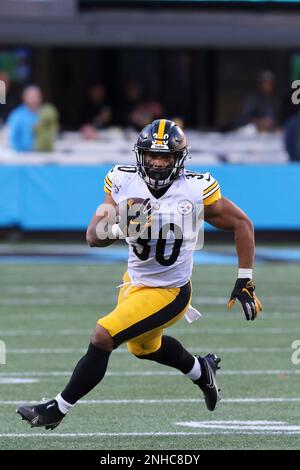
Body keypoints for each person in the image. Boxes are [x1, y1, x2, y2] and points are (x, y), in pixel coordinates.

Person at [17, 119, 262, 430]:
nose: (158, 163)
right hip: (134, 282)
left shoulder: (195, 190)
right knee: (144, 348)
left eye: (166, 157)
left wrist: (245, 279)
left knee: (103, 335)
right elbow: (93, 236)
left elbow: (243, 224)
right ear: (140, 156)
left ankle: (57, 408)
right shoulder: (123, 182)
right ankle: (202, 370)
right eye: (152, 156)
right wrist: (122, 224)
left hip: (170, 292)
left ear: (180, 159)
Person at [7, 85, 42, 151]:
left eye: (37, 97)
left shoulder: (43, 115)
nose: (35, 100)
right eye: (32, 97)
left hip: (40, 155)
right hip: (21, 156)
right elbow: (11, 139)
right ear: (24, 98)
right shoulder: (17, 116)